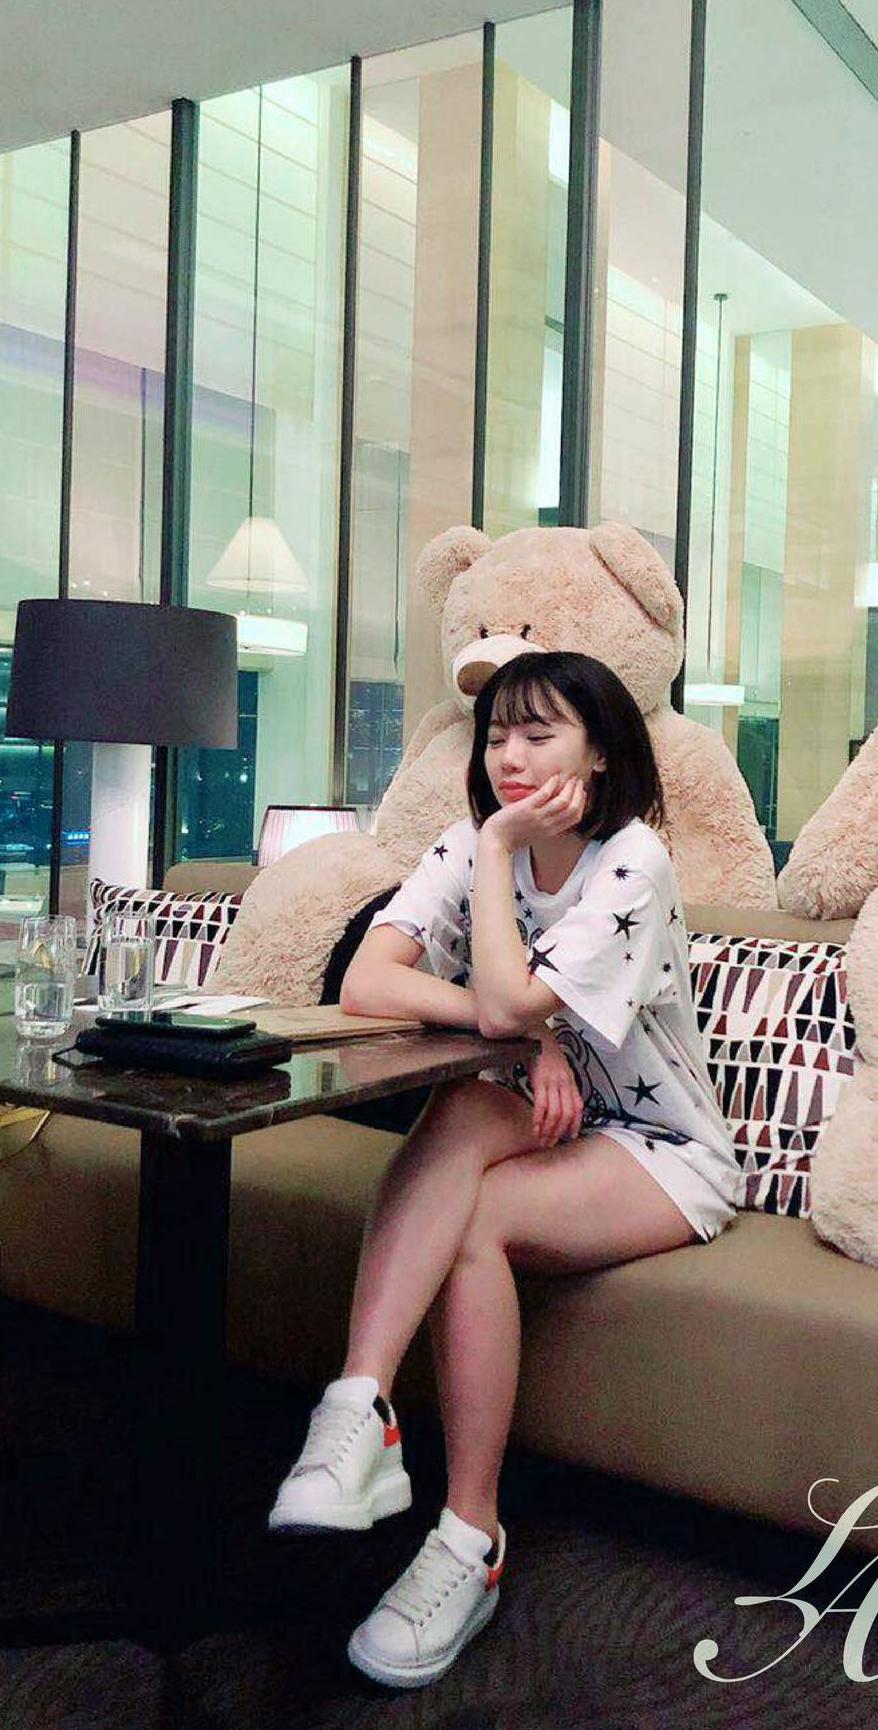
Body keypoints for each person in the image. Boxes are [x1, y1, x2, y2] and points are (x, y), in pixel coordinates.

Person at [267, 650, 740, 1688]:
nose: (510, 757)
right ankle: (358, 1408)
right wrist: (535, 1040)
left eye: (539, 733)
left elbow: (506, 1001)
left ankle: (468, 1538)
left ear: (599, 752)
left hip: (659, 1147)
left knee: (474, 1211)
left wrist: (495, 860)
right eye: (496, 736)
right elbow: (366, 985)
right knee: (460, 1108)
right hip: (540, 1111)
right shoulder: (468, 839)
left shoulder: (631, 862)